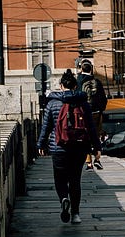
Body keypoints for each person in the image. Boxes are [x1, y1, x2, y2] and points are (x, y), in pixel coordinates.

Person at [37, 69, 97, 225]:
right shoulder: (83, 102)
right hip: (79, 147)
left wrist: (41, 144)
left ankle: (64, 198)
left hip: (58, 147)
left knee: (60, 178)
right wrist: (97, 147)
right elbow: (91, 127)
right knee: (75, 180)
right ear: (76, 86)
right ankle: (76, 214)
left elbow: (46, 126)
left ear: (61, 85)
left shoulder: (52, 103)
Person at [77, 59, 107, 170]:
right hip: (96, 113)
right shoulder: (97, 82)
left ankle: (88, 162)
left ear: (81, 68)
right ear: (91, 69)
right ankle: (97, 159)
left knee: (85, 137)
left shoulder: (79, 81)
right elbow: (104, 99)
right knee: (96, 136)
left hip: (83, 113)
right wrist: (100, 110)